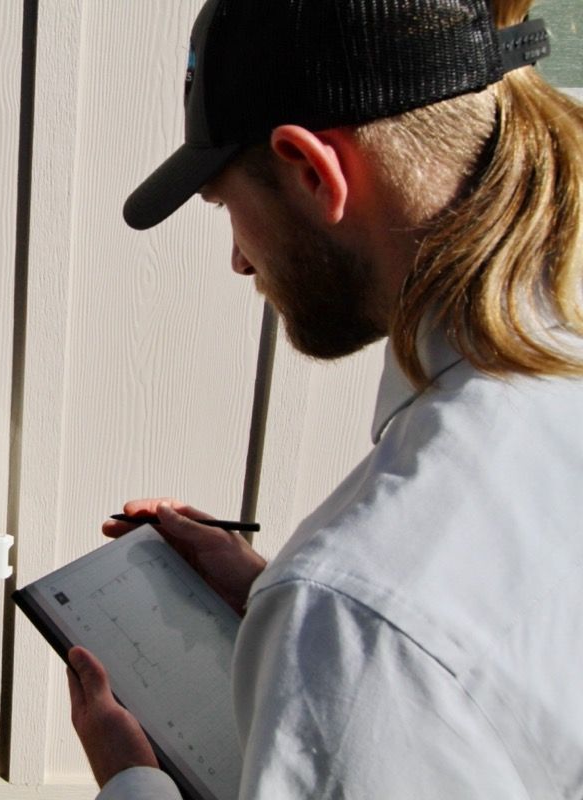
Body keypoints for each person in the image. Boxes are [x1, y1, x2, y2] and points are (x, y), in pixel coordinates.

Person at [67, 0, 583, 797]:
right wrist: (278, 605)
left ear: (314, 171)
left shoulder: (359, 615)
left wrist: (134, 782)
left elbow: (396, 627)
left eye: (227, 207)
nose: (240, 260)